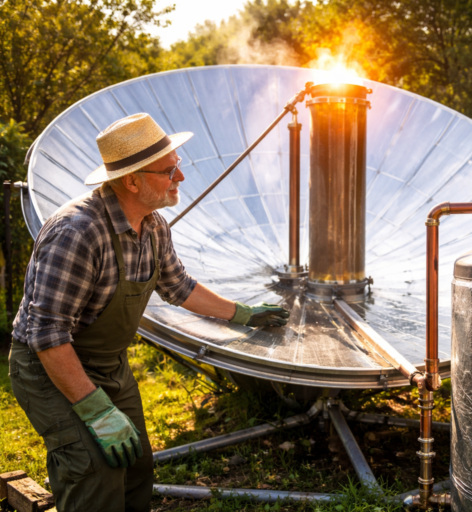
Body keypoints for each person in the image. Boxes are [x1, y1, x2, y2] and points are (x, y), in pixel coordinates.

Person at [8, 113, 290, 512]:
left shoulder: (153, 226)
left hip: (107, 365)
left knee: (137, 466)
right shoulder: (77, 232)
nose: (181, 177)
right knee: (96, 469)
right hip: (48, 369)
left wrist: (241, 313)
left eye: (178, 166)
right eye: (169, 170)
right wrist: (94, 410)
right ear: (132, 180)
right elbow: (47, 335)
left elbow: (180, 287)